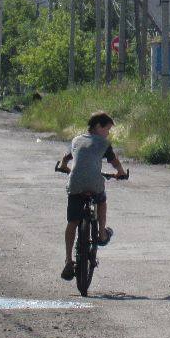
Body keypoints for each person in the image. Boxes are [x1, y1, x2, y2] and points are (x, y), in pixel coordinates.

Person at [58, 112, 127, 281]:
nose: (108, 133)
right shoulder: (103, 143)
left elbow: (66, 158)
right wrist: (120, 172)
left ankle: (68, 260)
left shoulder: (76, 140)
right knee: (101, 201)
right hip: (94, 184)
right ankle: (102, 234)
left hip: (75, 184)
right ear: (98, 126)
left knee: (72, 222)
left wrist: (62, 166)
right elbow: (114, 161)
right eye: (107, 129)